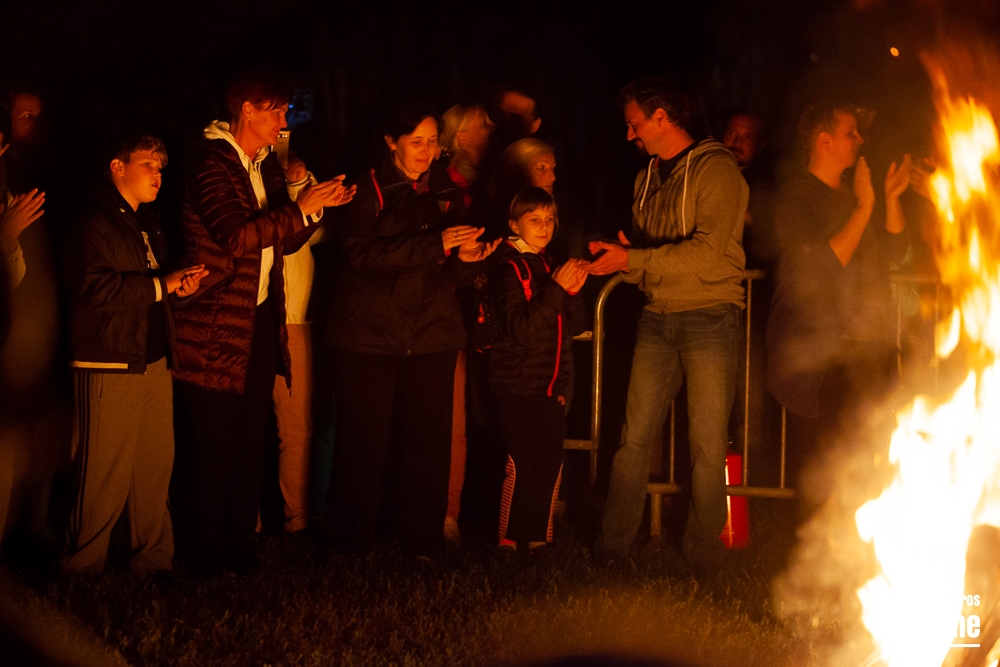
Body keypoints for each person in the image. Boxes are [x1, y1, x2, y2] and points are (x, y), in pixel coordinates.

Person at [170, 70, 349, 576]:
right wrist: (299, 209)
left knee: (250, 437)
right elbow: (234, 237)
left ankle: (238, 549)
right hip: (214, 322)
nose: (283, 121)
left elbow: (280, 240)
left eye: (285, 111)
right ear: (247, 109)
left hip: (258, 317)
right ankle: (204, 555)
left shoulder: (264, 164)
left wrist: (313, 210)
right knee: (215, 442)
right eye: (276, 111)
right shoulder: (209, 161)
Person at [584, 77, 748, 573]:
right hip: (656, 317)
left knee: (706, 443)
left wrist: (633, 258)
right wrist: (623, 258)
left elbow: (707, 252)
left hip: (710, 315)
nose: (629, 134)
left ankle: (704, 550)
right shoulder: (647, 177)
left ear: (661, 117)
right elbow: (648, 262)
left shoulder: (716, 168)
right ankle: (613, 546)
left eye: (634, 123)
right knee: (633, 438)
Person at [325, 102, 498, 559]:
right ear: (391, 142)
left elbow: (452, 270)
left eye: (432, 142)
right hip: (368, 334)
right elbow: (361, 255)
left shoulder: (446, 191)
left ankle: (421, 540)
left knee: (428, 441)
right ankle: (352, 542)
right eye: (416, 141)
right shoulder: (364, 188)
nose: (426, 151)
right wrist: (434, 244)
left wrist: (468, 261)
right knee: (365, 440)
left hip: (431, 331)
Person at [60, 132, 207, 574]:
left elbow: (155, 289)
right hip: (109, 359)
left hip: (152, 359)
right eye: (148, 164)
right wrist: (163, 284)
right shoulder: (93, 221)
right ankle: (82, 564)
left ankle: (154, 559)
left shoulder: (149, 224)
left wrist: (179, 289)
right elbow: (95, 288)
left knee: (154, 463)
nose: (157, 174)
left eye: (160, 167)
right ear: (117, 167)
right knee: (104, 468)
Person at [765, 102, 911, 505]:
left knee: (870, 468)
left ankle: (862, 544)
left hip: (869, 352)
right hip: (824, 359)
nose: (860, 139)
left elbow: (896, 251)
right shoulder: (797, 198)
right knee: (825, 475)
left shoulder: (852, 196)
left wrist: (890, 198)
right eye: (851, 133)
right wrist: (865, 208)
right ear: (824, 142)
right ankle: (818, 544)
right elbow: (820, 265)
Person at [488, 187, 586, 553]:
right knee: (522, 464)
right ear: (515, 225)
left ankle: (539, 540)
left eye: (549, 219)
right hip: (517, 385)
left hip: (550, 385)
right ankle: (509, 540)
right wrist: (557, 288)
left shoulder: (548, 264)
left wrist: (572, 292)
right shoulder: (507, 268)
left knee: (549, 464)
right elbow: (522, 330)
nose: (544, 227)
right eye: (535, 219)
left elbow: (574, 326)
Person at [439, 103, 496, 542]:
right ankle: (447, 513)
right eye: (484, 125)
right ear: (461, 139)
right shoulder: (440, 190)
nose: (493, 130)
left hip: (487, 318)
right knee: (450, 417)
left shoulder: (495, 188)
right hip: (449, 317)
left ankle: (480, 507)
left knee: (484, 415)